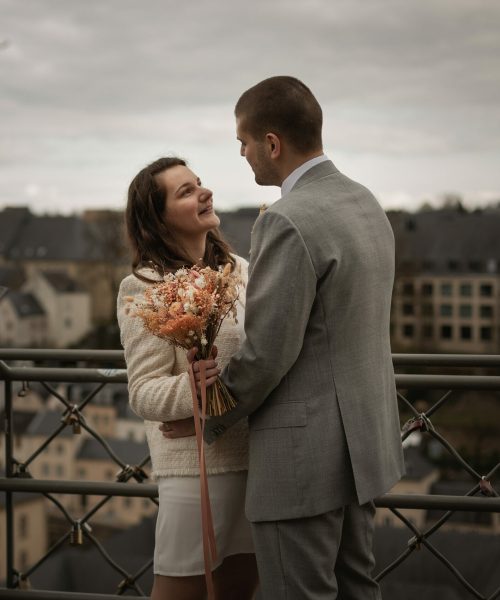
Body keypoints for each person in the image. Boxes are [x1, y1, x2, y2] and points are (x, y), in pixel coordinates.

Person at [166, 76, 405, 599]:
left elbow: (268, 352)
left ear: (272, 143)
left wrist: (213, 413)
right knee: (356, 589)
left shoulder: (288, 220)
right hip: (362, 447)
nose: (245, 156)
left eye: (244, 144)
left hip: (302, 458)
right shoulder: (365, 203)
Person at [116, 156, 258, 600]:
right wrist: (192, 389)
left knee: (239, 589)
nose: (204, 192)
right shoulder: (144, 287)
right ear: (158, 219)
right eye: (186, 192)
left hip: (257, 461)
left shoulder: (241, 270)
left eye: (199, 184)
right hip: (196, 471)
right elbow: (143, 392)